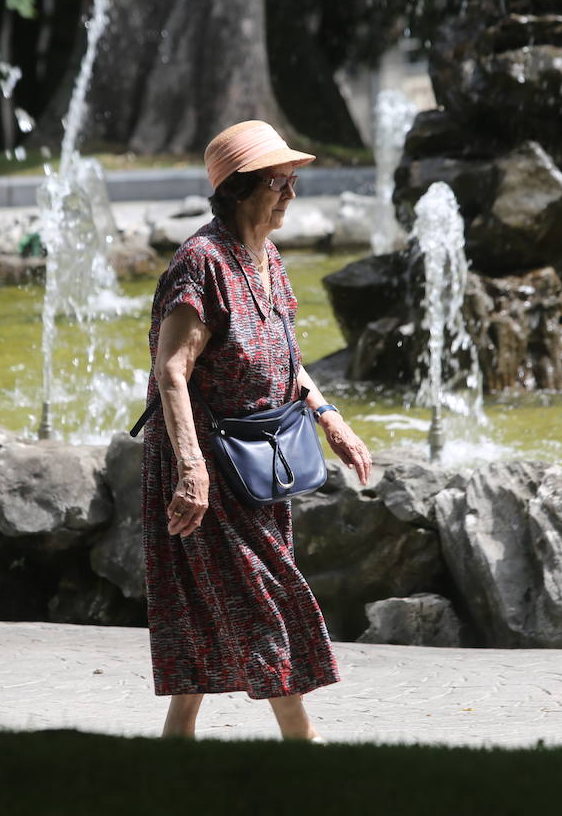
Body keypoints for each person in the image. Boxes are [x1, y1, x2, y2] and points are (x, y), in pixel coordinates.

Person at [139, 119, 373, 741]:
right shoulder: (202, 262)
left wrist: (331, 420)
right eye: (279, 181)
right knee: (263, 592)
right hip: (209, 461)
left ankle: (176, 739)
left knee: (208, 598)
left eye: (292, 180)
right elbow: (171, 371)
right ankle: (302, 739)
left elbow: (287, 360)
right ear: (241, 189)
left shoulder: (269, 258)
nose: (291, 194)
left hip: (258, 459)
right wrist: (191, 469)